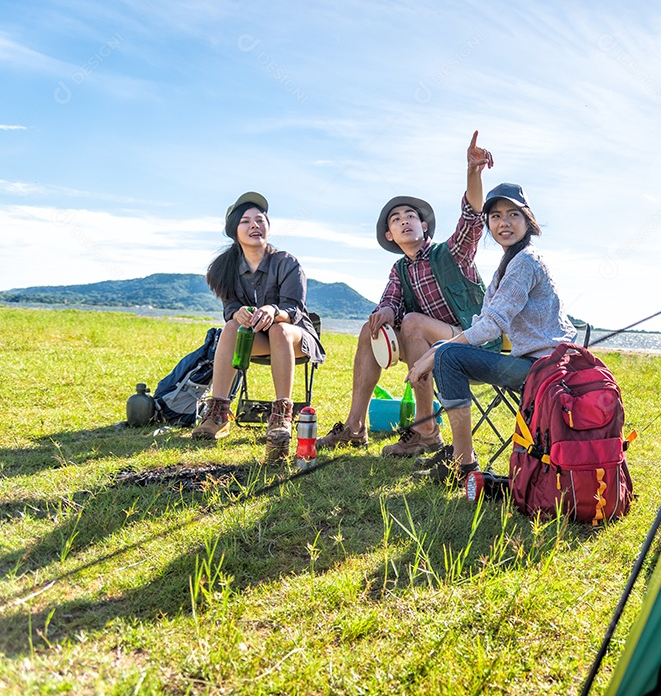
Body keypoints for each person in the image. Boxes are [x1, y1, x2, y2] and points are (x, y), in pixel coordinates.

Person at [317, 131, 498, 456]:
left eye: (411, 216)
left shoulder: (451, 253)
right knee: (370, 328)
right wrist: (385, 312)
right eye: (396, 219)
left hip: (473, 340)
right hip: (429, 345)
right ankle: (355, 427)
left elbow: (472, 219)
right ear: (390, 234)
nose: (405, 222)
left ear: (424, 226)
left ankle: (426, 429)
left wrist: (473, 171)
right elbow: (390, 301)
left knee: (413, 322)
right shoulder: (400, 269)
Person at [407, 178, 577, 483]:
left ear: (528, 220)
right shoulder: (507, 264)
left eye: (513, 215)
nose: (504, 223)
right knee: (450, 355)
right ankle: (461, 457)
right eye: (495, 216)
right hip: (531, 365)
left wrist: (436, 350)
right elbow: (484, 320)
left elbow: (492, 324)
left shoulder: (526, 261)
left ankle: (463, 463)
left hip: (546, 371)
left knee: (448, 355)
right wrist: (445, 349)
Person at [192, 191, 325, 462]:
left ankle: (281, 415)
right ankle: (218, 413)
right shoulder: (224, 268)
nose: (255, 225)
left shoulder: (287, 262)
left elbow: (295, 310)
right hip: (255, 338)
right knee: (229, 327)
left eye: (260, 219)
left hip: (295, 336)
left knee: (279, 330)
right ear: (235, 231)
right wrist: (238, 313)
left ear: (267, 226)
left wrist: (273, 311)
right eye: (246, 221)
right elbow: (229, 308)